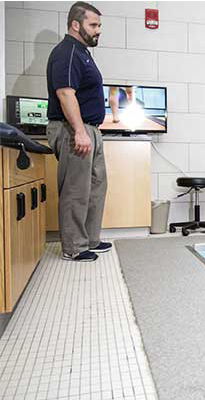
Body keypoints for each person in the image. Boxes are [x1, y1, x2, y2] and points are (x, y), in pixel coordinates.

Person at [46, 1, 112, 262]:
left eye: (99, 25)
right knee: (76, 189)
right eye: (93, 25)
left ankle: (90, 240)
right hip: (74, 129)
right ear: (76, 24)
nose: (98, 30)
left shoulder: (83, 52)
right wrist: (79, 132)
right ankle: (74, 247)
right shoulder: (68, 52)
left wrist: (91, 131)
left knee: (96, 186)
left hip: (89, 129)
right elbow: (65, 92)